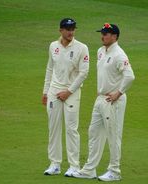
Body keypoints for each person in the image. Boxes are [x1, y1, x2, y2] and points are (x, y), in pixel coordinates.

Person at [73, 23, 135, 181]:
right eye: (102, 33)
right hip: (100, 98)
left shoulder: (119, 54)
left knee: (113, 136)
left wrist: (118, 93)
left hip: (113, 100)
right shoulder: (100, 51)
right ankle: (89, 170)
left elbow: (130, 76)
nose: (103, 36)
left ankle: (115, 171)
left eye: (106, 33)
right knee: (93, 133)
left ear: (114, 37)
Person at [42, 18, 89, 177]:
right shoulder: (53, 46)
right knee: (53, 128)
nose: (71, 32)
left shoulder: (81, 48)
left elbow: (84, 73)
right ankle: (55, 164)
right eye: (68, 29)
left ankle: (74, 166)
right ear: (60, 30)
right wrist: (45, 91)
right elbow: (50, 69)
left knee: (71, 129)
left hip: (72, 93)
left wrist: (68, 91)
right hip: (54, 92)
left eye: (73, 29)